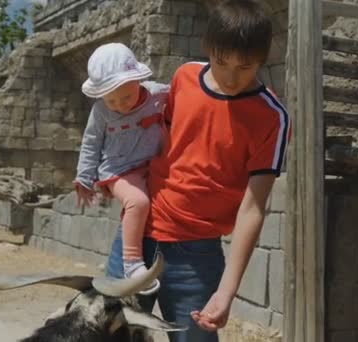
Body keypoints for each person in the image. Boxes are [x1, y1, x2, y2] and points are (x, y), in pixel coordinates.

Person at [105, 1, 290, 341]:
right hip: (134, 242)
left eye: (245, 67)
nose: (232, 78)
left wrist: (226, 291)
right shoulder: (184, 77)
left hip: (196, 258)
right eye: (222, 63)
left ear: (264, 58)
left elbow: (253, 208)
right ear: (208, 48)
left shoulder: (272, 117)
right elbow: (159, 145)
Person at [74, 42, 169, 294]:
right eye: (111, 99)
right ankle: (132, 264)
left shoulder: (159, 95)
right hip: (118, 170)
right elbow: (91, 142)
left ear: (138, 80)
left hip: (152, 165)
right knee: (138, 203)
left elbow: (190, 94)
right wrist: (84, 178)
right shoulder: (101, 111)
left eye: (126, 96)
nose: (120, 104)